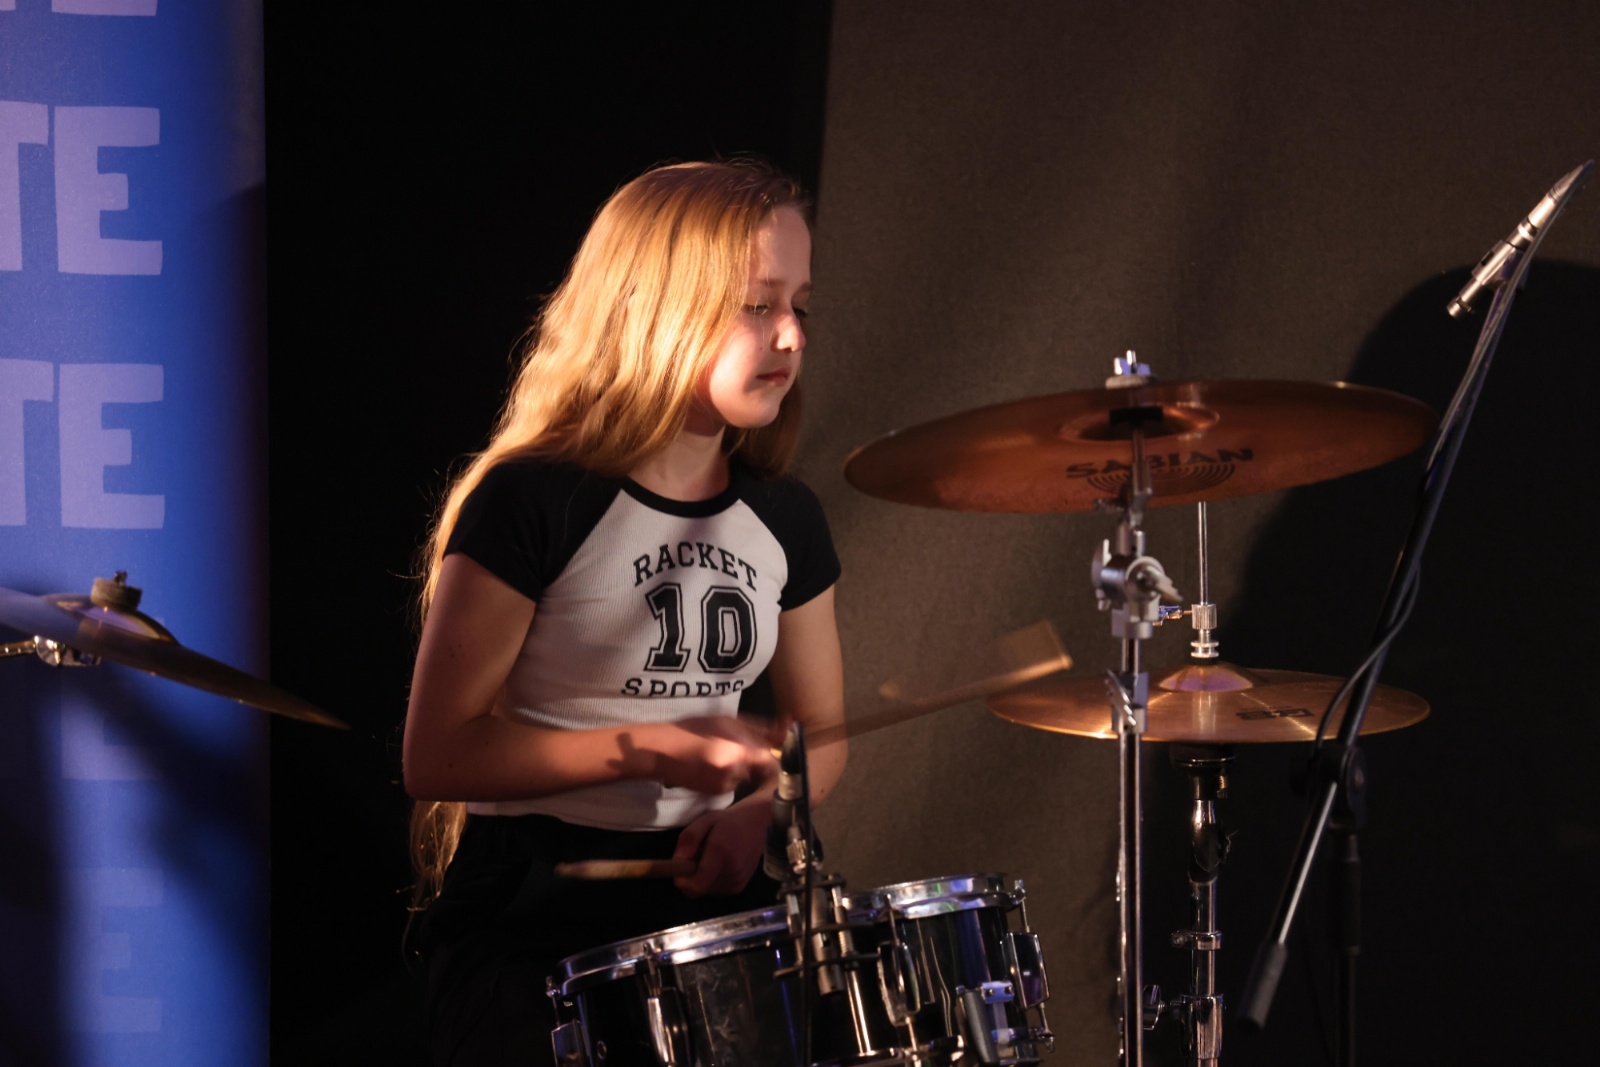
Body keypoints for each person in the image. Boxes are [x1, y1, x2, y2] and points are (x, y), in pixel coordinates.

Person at [401, 160, 846, 1066]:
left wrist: (757, 814)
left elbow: (821, 735)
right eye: (756, 304)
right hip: (535, 914)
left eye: (801, 306)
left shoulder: (786, 516)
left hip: (709, 910)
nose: (791, 334)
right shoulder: (533, 500)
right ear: (654, 307)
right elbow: (437, 753)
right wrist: (649, 747)